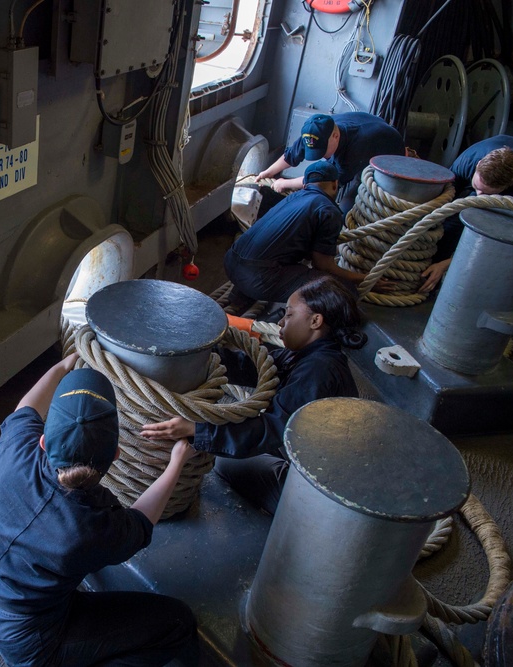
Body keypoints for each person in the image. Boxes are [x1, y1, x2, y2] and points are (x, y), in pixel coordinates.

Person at [0, 353, 199, 667]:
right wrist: (176, 462)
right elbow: (141, 522)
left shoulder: (16, 451)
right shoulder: (94, 526)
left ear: (43, 442)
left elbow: (25, 408)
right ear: (116, 454)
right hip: (30, 643)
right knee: (178, 622)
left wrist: (63, 366)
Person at [141, 276, 365, 515]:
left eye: (289, 315)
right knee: (236, 442)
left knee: (226, 463)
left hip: (323, 494)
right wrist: (200, 352)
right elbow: (254, 367)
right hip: (317, 456)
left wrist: (197, 429)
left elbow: (274, 427)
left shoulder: (318, 371)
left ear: (315, 321)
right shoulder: (309, 355)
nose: (281, 322)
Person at [420, 135, 513, 292]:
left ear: (507, 187)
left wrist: (445, 264)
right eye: (476, 186)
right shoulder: (470, 158)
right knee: (454, 219)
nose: (478, 195)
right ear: (478, 165)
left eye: (485, 193)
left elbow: (498, 239)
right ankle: (428, 270)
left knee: (506, 246)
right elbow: (445, 197)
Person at [224, 161, 373, 304]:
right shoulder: (328, 210)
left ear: (305, 184)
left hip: (231, 261)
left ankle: (240, 297)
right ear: (335, 184)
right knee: (345, 291)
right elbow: (323, 266)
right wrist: (364, 278)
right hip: (257, 278)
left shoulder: (293, 197)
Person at [258, 112, 406, 212]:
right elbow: (291, 155)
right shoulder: (316, 131)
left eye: (322, 150)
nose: (319, 155)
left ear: (336, 136)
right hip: (370, 135)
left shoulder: (354, 150)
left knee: (347, 208)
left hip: (389, 157)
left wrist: (285, 183)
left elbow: (324, 180)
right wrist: (268, 172)